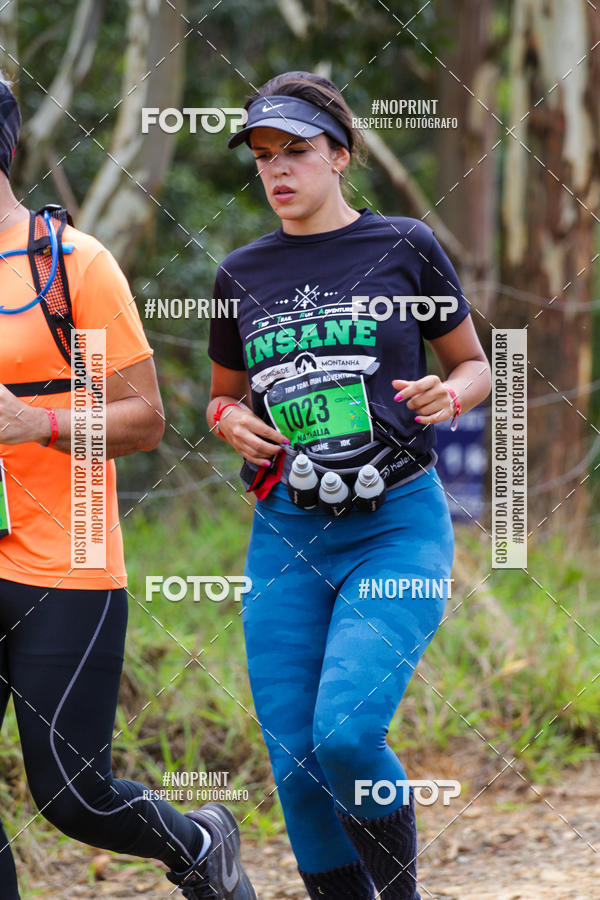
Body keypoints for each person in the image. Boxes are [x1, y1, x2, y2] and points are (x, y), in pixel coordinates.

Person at [207, 71, 491, 899]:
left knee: (345, 734)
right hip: (288, 531)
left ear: (339, 155)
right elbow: (222, 395)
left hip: (396, 522)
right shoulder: (240, 274)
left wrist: (453, 395)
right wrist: (228, 421)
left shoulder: (403, 245)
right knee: (295, 762)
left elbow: (473, 365)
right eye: (262, 157)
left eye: (295, 151)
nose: (277, 172)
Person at [0, 75, 256, 900]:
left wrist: (36, 424)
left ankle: (196, 845)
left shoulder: (72, 265)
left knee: (72, 794)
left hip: (62, 559)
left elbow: (145, 420)